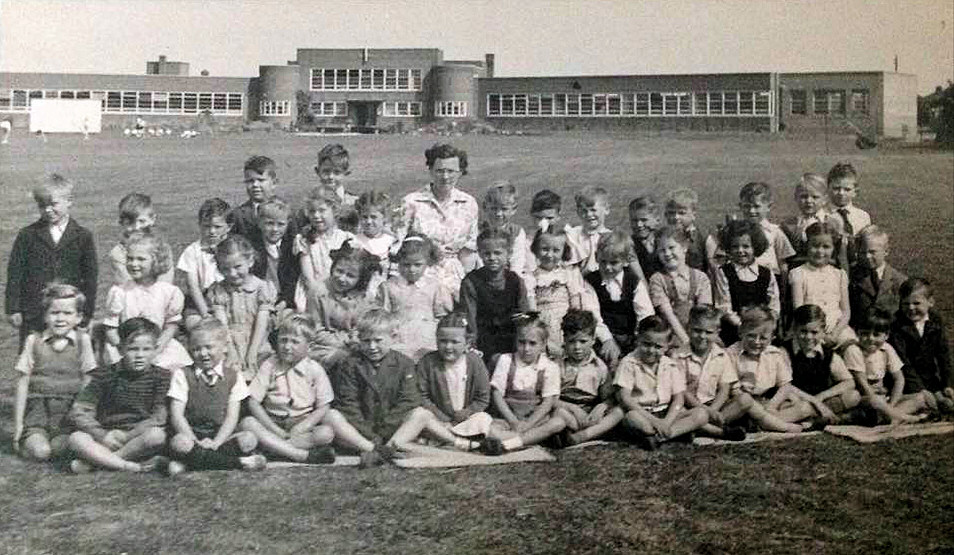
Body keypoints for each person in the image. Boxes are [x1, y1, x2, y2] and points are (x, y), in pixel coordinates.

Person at [328, 309, 440, 467]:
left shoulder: (404, 363)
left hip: (393, 431)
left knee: (421, 414)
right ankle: (377, 450)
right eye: (366, 341)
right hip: (360, 432)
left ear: (393, 338)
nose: (372, 347)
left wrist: (383, 431)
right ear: (359, 339)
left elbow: (409, 400)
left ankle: (385, 449)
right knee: (332, 416)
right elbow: (348, 404)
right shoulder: (350, 364)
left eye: (378, 340)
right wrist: (369, 435)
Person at [6, 174, 98, 349]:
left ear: (69, 201)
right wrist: (13, 308)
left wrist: (87, 312)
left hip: (69, 310)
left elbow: (90, 278)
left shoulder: (83, 236)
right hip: (34, 311)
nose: (48, 210)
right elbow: (15, 273)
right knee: (33, 355)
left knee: (70, 354)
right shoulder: (27, 235)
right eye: (42, 206)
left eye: (53, 204)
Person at [67, 318, 171, 473]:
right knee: (76, 438)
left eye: (146, 349)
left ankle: (99, 462)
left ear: (155, 349)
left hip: (138, 437)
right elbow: (79, 411)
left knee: (157, 436)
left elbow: (159, 417)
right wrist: (102, 435)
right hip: (106, 436)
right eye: (133, 349)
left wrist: (127, 435)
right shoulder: (105, 375)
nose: (139, 355)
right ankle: (126, 465)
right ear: (121, 349)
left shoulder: (162, 376)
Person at [166, 318, 266, 475]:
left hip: (220, 437)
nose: (203, 353)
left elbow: (231, 417)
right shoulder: (182, 374)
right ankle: (238, 463)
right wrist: (195, 441)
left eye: (209, 347)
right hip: (191, 436)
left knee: (249, 439)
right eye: (196, 349)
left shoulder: (234, 376)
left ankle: (193, 462)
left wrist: (216, 442)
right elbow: (177, 416)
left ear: (225, 347)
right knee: (180, 443)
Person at [239, 314, 338, 464]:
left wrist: (305, 425)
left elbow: (324, 405)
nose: (287, 346)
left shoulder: (315, 369)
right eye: (283, 340)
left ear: (309, 347)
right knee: (248, 423)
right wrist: (274, 429)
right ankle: (300, 455)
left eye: (295, 342)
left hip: (300, 424)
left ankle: (273, 449)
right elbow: (253, 401)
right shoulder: (270, 365)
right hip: (272, 421)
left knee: (326, 433)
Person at [13, 284, 96, 461]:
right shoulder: (33, 340)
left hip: (69, 412)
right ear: (45, 315)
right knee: (42, 452)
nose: (60, 319)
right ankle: (29, 443)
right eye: (54, 313)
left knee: (61, 448)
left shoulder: (83, 341)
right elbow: (22, 382)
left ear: (79, 317)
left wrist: (84, 416)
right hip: (38, 411)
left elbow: (89, 381)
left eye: (67, 313)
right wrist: (18, 424)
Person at [725, 306, 827, 432]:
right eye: (751, 336)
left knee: (803, 407)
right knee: (744, 402)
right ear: (741, 332)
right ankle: (785, 426)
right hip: (740, 405)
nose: (757, 342)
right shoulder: (730, 355)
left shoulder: (774, 354)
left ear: (771, 338)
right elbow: (733, 391)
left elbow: (785, 385)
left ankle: (761, 423)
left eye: (763, 338)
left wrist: (772, 405)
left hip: (765, 403)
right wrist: (759, 408)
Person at [614, 316, 709, 450]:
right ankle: (673, 434)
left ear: (667, 346)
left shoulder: (670, 364)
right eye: (646, 344)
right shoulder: (629, 363)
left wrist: (666, 422)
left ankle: (660, 437)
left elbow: (678, 399)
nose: (651, 350)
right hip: (641, 412)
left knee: (701, 414)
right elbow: (625, 398)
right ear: (638, 339)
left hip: (665, 412)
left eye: (658, 347)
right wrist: (655, 421)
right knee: (631, 418)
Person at [101, 234, 192, 372]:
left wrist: (158, 347)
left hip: (158, 346)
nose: (134, 264)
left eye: (141, 259)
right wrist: (123, 348)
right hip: (126, 348)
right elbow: (111, 327)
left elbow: (171, 325)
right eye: (130, 259)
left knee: (172, 368)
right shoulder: (120, 292)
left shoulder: (168, 292)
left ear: (156, 261)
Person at [480, 313, 568, 455]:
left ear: (543, 345)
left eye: (532, 343)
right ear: (516, 341)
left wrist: (528, 424)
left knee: (559, 422)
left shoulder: (550, 367)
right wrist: (514, 422)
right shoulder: (506, 360)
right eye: (522, 342)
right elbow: (497, 394)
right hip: (507, 418)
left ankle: (510, 444)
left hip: (534, 419)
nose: (526, 348)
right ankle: (533, 439)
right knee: (488, 428)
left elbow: (548, 402)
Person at [402, 143, 479, 297]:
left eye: (451, 171)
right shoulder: (411, 202)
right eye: (439, 171)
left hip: (455, 276)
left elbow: (469, 251)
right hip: (419, 275)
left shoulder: (469, 204)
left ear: (460, 172)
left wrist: (466, 283)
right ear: (430, 170)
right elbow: (399, 246)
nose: (445, 177)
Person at [414, 312, 495, 444]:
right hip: (438, 419)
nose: (448, 347)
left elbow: (483, 397)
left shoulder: (475, 362)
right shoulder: (427, 362)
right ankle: (455, 438)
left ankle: (446, 438)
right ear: (436, 340)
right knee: (420, 415)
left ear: (467, 343)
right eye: (443, 341)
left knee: (483, 418)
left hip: (466, 419)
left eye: (454, 342)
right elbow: (421, 396)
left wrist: (467, 412)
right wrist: (441, 417)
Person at [672, 306, 749, 441]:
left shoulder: (721, 355)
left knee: (745, 400)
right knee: (677, 410)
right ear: (688, 328)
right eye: (697, 331)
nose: (702, 336)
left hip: (714, 405)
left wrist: (713, 410)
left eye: (708, 332)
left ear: (717, 333)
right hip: (689, 406)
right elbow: (682, 391)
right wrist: (705, 410)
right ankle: (719, 432)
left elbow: (724, 388)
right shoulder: (678, 355)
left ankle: (697, 428)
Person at [789, 222, 862, 363]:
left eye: (826, 247)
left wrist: (835, 333)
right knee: (815, 353)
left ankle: (861, 383)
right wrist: (819, 334)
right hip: (809, 329)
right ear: (807, 247)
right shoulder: (798, 274)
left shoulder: (839, 274)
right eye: (815, 246)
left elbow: (846, 311)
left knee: (853, 351)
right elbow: (799, 309)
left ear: (833, 249)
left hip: (838, 327)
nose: (820, 251)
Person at [206, 235, 276, 381]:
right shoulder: (218, 291)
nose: (232, 273)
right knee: (228, 372)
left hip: (257, 343)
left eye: (237, 267)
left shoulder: (262, 288)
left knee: (265, 371)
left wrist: (252, 352)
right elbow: (222, 325)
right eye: (225, 269)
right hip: (229, 344)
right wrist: (232, 352)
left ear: (250, 261)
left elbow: (261, 323)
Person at [460, 228, 531, 367]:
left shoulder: (515, 280)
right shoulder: (471, 281)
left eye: (498, 253)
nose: (492, 258)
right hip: (483, 340)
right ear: (479, 254)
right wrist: (473, 347)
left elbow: (524, 315)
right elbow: (469, 319)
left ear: (509, 254)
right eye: (487, 253)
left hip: (511, 338)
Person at [553, 310, 624, 446]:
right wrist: (573, 409)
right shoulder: (557, 365)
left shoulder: (599, 366)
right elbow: (551, 400)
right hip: (567, 410)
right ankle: (586, 433)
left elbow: (608, 397)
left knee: (618, 411)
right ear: (564, 340)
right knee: (558, 413)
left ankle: (583, 435)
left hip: (590, 411)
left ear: (593, 340)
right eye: (572, 341)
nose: (577, 347)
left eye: (583, 341)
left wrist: (602, 407)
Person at [377, 235, 453, 360]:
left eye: (417, 265)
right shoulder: (388, 287)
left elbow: (442, 316)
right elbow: (381, 316)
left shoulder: (435, 286)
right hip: (397, 339)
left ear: (427, 263)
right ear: (399, 263)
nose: (412, 269)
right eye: (406, 265)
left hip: (427, 340)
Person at [581, 230, 654, 361]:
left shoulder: (634, 282)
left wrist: (639, 339)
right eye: (603, 262)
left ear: (626, 261)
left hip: (631, 337)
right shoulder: (591, 281)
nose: (608, 267)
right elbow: (592, 315)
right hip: (602, 337)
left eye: (614, 263)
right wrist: (607, 339)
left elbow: (645, 314)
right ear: (597, 256)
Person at [782, 305, 862, 424]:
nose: (809, 337)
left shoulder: (827, 354)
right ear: (795, 329)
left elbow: (849, 382)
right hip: (795, 399)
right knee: (799, 408)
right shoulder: (784, 352)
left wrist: (821, 398)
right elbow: (785, 386)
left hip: (820, 399)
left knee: (853, 396)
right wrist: (815, 402)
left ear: (823, 331)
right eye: (803, 331)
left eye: (814, 332)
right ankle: (822, 419)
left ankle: (814, 419)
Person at [852, 307, 933, 424]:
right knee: (875, 401)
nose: (870, 338)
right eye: (864, 334)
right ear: (856, 332)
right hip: (863, 398)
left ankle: (891, 416)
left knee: (922, 396)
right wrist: (880, 402)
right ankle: (906, 418)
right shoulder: (854, 350)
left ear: (886, 335)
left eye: (876, 334)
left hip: (884, 399)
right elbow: (862, 383)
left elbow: (899, 379)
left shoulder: (887, 348)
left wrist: (891, 405)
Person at [306, 241, 379, 367]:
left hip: (357, 344)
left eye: (350, 276)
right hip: (324, 346)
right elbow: (314, 330)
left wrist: (356, 339)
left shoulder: (365, 297)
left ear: (360, 279)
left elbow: (365, 326)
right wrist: (346, 342)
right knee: (342, 359)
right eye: (339, 271)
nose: (342, 278)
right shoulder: (318, 291)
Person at [713, 219, 781, 345]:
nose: (740, 250)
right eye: (735, 246)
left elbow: (774, 305)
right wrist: (743, 327)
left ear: (755, 247)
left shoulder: (766, 273)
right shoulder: (724, 272)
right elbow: (724, 306)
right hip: (734, 331)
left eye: (746, 246)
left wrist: (767, 325)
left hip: (762, 332)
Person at [890, 278, 954, 408]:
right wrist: (920, 389)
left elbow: (944, 355)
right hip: (905, 380)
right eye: (905, 304)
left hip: (929, 377)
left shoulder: (935, 320)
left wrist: (947, 384)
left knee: (947, 400)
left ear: (930, 302)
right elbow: (903, 362)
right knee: (929, 402)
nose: (911, 308)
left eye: (916, 303)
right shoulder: (896, 325)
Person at [292, 185, 355, 311]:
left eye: (321, 210)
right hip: (313, 294)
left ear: (335, 210)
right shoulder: (304, 239)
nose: (316, 215)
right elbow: (308, 278)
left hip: (341, 291)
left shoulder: (347, 239)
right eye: (312, 211)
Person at [649, 226, 712, 346]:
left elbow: (703, 313)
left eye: (671, 248)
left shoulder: (700, 277)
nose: (667, 254)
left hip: (699, 333)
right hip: (671, 335)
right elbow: (668, 315)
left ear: (684, 247)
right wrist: (686, 341)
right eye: (662, 250)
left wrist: (696, 339)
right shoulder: (657, 279)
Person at [526, 226, 584, 358]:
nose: (550, 255)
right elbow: (531, 304)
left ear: (564, 251)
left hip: (565, 320)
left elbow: (575, 300)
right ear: (535, 249)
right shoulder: (531, 276)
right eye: (545, 249)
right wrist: (537, 324)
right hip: (542, 321)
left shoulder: (568, 273)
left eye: (556, 250)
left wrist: (574, 322)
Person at [177, 198, 231, 328]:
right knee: (195, 325)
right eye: (207, 226)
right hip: (199, 301)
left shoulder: (233, 248)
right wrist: (205, 314)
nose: (212, 231)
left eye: (217, 227)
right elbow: (193, 286)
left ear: (229, 227)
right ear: (199, 225)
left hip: (227, 298)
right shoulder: (192, 251)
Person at [782, 174, 846, 269]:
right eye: (804, 196)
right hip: (797, 273)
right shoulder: (789, 225)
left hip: (828, 272)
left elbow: (841, 255)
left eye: (815, 197)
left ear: (825, 199)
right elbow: (785, 257)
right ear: (796, 197)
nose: (809, 200)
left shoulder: (833, 222)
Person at [848, 225, 907, 329]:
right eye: (862, 252)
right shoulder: (851, 276)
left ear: (886, 251)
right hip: (860, 333)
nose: (867, 256)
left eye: (872, 252)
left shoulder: (899, 280)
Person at [108, 193, 173, 285]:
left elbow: (166, 283)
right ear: (121, 223)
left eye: (142, 221)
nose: (137, 227)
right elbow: (128, 286)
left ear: (152, 219)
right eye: (129, 223)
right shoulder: (118, 253)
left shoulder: (162, 248)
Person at [480, 181, 530, 277]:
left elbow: (517, 263)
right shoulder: (479, 230)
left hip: (507, 279)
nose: (499, 214)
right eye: (494, 208)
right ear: (485, 207)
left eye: (504, 209)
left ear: (513, 209)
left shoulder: (516, 232)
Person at [827, 162, 871, 266]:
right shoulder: (821, 215)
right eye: (836, 188)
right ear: (828, 188)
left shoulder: (863, 216)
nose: (841, 193)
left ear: (855, 191)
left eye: (847, 189)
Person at [231, 155, 280, 247]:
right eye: (250, 181)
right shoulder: (238, 215)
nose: (255, 185)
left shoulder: (286, 210)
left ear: (274, 183)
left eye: (261, 180)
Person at [565, 186, 612, 274]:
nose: (589, 215)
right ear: (578, 212)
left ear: (606, 210)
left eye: (593, 210)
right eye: (584, 211)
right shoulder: (572, 236)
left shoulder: (612, 237)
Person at [251, 197, 293, 294]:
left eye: (281, 224)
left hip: (285, 298)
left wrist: (285, 301)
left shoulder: (290, 248)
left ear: (287, 224)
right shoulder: (253, 247)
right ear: (259, 223)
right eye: (269, 223)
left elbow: (293, 280)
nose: (275, 229)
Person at [314, 143, 359, 232]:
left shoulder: (355, 203)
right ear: (317, 172)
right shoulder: (311, 204)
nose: (331, 176)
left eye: (337, 172)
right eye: (326, 171)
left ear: (346, 173)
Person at [663, 188, 708, 274]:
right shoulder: (662, 237)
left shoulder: (703, 238)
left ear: (693, 215)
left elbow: (713, 269)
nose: (676, 217)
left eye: (682, 213)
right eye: (671, 213)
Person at [353, 191, 397, 277]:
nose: (368, 222)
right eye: (365, 217)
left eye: (373, 217)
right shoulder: (355, 241)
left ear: (384, 218)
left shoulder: (391, 241)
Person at [629, 195, 664, 278]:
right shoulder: (630, 244)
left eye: (644, 220)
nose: (639, 225)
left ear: (657, 220)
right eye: (634, 220)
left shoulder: (665, 240)